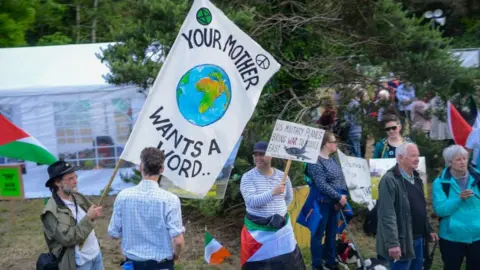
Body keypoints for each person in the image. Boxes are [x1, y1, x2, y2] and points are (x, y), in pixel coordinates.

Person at [108, 147, 185, 270]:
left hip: (132, 264)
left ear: (140, 167)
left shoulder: (123, 196)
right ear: (162, 169)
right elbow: (178, 241)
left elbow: (113, 233)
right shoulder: (171, 200)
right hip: (161, 265)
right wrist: (176, 255)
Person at [240, 141, 305, 269]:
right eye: (256, 155)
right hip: (258, 232)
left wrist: (277, 211)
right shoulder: (248, 177)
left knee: (287, 263)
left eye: (262, 154)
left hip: (281, 230)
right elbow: (251, 201)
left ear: (271, 156)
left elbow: (288, 198)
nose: (258, 158)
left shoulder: (283, 176)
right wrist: (273, 193)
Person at [376, 143, 438, 270]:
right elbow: (386, 214)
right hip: (402, 241)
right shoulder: (389, 180)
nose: (417, 159)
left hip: (418, 239)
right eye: (413, 156)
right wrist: (393, 243)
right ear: (400, 157)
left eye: (418, 156)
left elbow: (420, 207)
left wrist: (429, 229)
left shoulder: (417, 177)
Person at [41, 160, 104, 270]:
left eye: (75, 177)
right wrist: (89, 217)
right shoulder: (51, 212)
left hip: (96, 255)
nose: (75, 181)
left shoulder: (78, 197)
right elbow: (67, 238)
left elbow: (89, 218)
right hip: (79, 263)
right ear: (57, 183)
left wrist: (94, 214)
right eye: (70, 179)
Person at [432, 145, 480, 270]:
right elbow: (440, 210)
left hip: (477, 237)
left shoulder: (478, 178)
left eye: (464, 158)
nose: (463, 162)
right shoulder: (440, 183)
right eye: (458, 159)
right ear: (449, 162)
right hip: (451, 238)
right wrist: (459, 199)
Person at [305, 132, 348, 270]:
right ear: (325, 144)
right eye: (333, 141)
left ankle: (330, 262)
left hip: (335, 204)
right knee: (318, 234)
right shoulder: (315, 161)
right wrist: (338, 197)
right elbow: (321, 184)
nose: (335, 144)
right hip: (322, 203)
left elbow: (340, 178)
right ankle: (317, 265)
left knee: (332, 234)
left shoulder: (332, 159)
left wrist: (343, 194)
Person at [344, 91, 366, 157]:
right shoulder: (357, 104)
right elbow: (364, 113)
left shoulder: (349, 105)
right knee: (357, 152)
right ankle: (359, 166)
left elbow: (346, 119)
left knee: (353, 152)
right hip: (356, 131)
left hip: (351, 131)